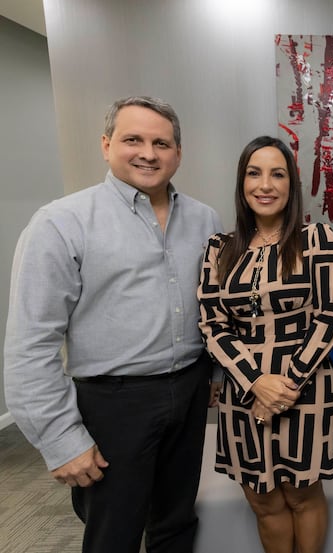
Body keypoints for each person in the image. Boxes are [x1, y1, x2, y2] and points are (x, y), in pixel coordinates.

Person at [4, 96, 223, 552]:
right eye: (133, 140)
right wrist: (60, 438)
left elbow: (213, 308)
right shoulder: (61, 223)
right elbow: (30, 344)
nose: (148, 152)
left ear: (178, 154)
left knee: (176, 523)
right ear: (106, 145)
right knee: (113, 534)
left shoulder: (205, 220)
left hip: (190, 392)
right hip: (114, 404)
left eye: (161, 142)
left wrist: (215, 374)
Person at [198, 136, 333, 553]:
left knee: (302, 496)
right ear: (241, 182)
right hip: (244, 393)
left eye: (277, 173)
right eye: (254, 173)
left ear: (291, 184)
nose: (264, 184)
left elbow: (330, 315)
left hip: (306, 388)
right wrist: (255, 383)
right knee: (263, 500)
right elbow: (213, 324)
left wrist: (283, 386)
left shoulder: (317, 239)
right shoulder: (218, 249)